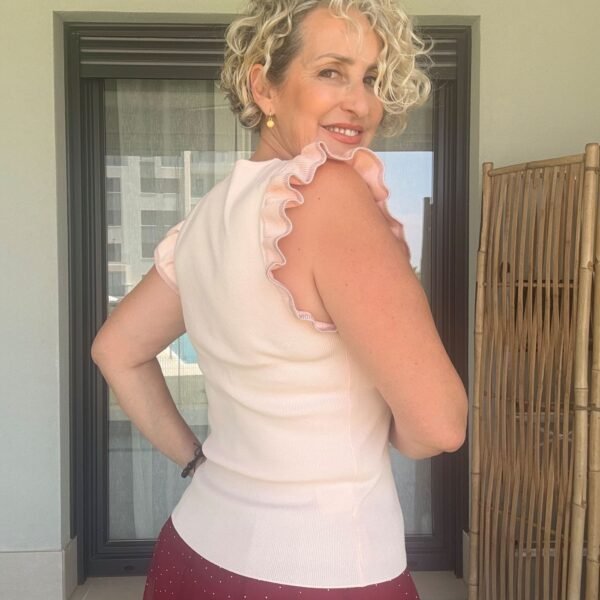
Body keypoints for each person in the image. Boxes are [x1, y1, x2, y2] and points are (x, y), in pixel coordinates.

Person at [91, 0, 468, 598]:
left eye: (371, 78)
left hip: (193, 550)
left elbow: (116, 350)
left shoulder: (205, 219)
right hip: (322, 571)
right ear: (263, 86)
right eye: (331, 72)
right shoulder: (329, 191)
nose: (361, 103)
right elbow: (439, 425)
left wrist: (196, 460)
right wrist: (389, 426)